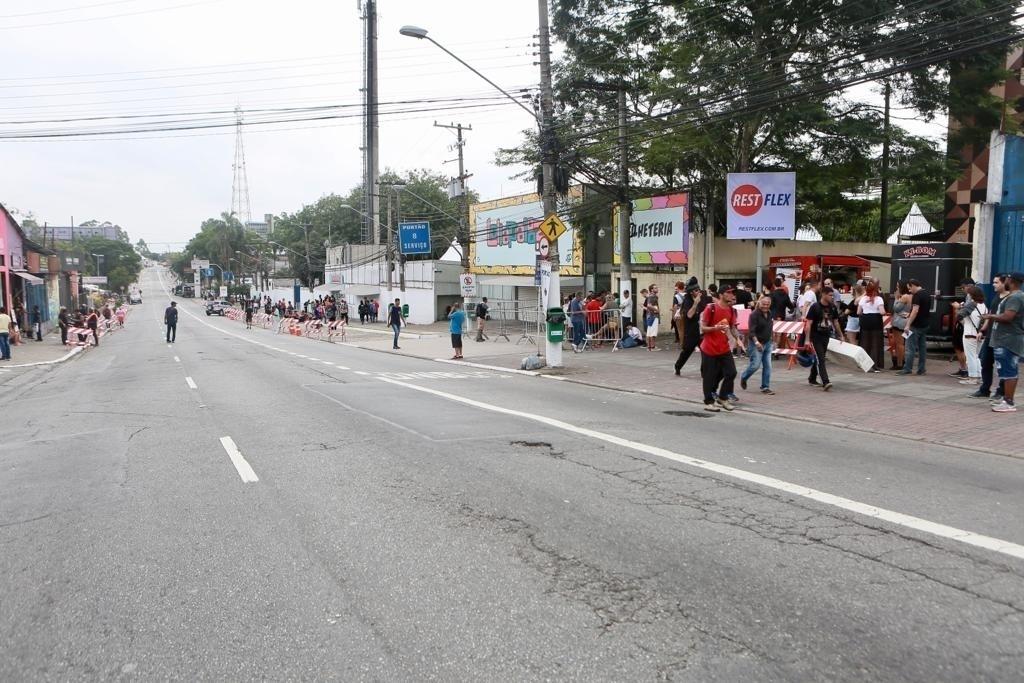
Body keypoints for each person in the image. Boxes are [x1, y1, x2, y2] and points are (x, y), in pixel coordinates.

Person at [982, 271, 1024, 412]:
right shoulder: (1014, 296)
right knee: (1007, 371)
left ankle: (1009, 402)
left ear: (1011, 281)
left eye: (1007, 279)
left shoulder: (1015, 297)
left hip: (1008, 339)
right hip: (1005, 339)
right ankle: (1007, 400)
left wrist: (990, 316)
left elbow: (1008, 317)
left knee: (1009, 371)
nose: (1005, 281)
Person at [699, 284, 744, 411]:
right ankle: (708, 402)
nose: (732, 295)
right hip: (709, 347)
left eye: (732, 293)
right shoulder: (711, 308)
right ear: (721, 295)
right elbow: (703, 328)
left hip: (723, 347)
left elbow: (733, 327)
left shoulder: (732, 310)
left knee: (731, 372)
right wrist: (715, 328)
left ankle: (722, 397)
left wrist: (738, 339)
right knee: (709, 376)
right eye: (728, 292)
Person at [804, 286, 843, 390]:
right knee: (821, 358)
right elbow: (809, 323)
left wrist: (841, 335)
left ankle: (812, 378)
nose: (832, 297)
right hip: (815, 336)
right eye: (830, 295)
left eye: (832, 295)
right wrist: (807, 339)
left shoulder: (832, 307)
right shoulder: (815, 307)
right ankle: (825, 381)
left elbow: (835, 322)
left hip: (826, 335)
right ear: (824, 295)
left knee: (819, 358)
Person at [740, 296, 775, 394]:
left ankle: (765, 387)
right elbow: (751, 332)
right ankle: (744, 376)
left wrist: (773, 339)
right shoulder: (754, 315)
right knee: (755, 365)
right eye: (764, 304)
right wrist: (756, 342)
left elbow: (770, 327)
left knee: (768, 366)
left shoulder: (770, 313)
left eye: (768, 304)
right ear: (759, 303)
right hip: (756, 343)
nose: (765, 306)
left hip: (768, 343)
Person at [899, 279, 931, 376]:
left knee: (910, 348)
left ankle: (907, 368)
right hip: (925, 324)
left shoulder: (917, 295)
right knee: (922, 348)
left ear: (913, 285)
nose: (909, 291)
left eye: (909, 288)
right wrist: (909, 314)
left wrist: (908, 324)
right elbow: (923, 310)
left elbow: (915, 311)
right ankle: (921, 369)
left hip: (915, 325)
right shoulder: (927, 294)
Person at [674, 277, 705, 375]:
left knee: (706, 351)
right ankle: (678, 366)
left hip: (700, 331)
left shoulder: (701, 298)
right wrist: (695, 303)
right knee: (687, 351)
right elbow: (689, 315)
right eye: (696, 290)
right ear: (691, 292)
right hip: (691, 332)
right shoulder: (687, 301)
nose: (698, 292)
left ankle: (704, 371)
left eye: (699, 289)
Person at [958, 285, 988, 386]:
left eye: (969, 294)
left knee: (970, 357)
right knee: (976, 356)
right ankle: (979, 376)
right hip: (980, 334)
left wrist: (958, 308)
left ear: (972, 295)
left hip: (969, 333)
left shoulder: (971, 305)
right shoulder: (984, 306)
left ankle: (973, 378)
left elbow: (959, 315)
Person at [857, 280, 886, 372]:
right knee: (875, 343)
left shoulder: (863, 299)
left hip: (865, 320)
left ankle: (864, 364)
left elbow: (858, 312)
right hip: (876, 320)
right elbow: (882, 312)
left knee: (865, 342)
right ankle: (875, 366)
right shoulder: (879, 299)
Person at [889, 282, 911, 370]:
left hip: (899, 323)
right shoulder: (910, 296)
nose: (896, 288)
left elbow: (896, 308)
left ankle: (900, 363)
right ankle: (902, 361)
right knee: (903, 343)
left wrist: (896, 298)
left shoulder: (904, 296)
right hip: (905, 322)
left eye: (898, 286)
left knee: (899, 344)